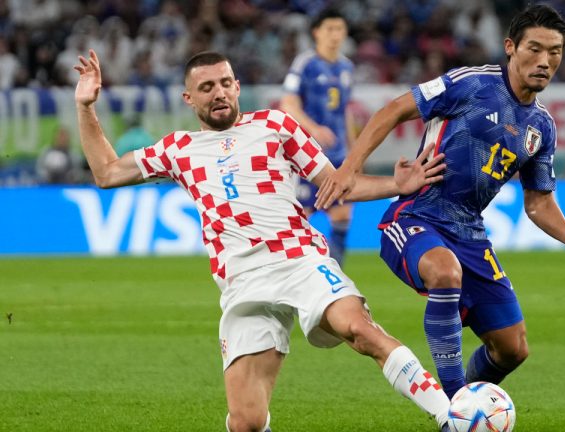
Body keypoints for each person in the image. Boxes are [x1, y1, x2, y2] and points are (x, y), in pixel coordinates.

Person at [73, 49, 453, 432]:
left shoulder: (275, 125)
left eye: (225, 83)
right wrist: (86, 106)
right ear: (189, 99)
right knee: (247, 422)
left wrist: (396, 185)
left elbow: (338, 183)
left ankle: (450, 416)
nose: (218, 92)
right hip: (242, 281)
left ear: (237, 86)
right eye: (206, 87)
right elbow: (106, 173)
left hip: (299, 260)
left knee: (358, 328)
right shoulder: (178, 149)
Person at [316, 4, 565, 400]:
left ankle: (468, 406)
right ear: (510, 47)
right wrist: (348, 170)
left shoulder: (541, 126)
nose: (545, 61)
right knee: (444, 271)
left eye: (555, 52)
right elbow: (393, 110)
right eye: (535, 49)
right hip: (416, 216)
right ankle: (454, 407)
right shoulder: (472, 84)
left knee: (512, 348)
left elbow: (538, 203)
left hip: (470, 233)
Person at [280, 8, 355, 268]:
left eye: (339, 29)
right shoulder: (305, 64)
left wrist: (355, 153)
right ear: (317, 32)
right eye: (329, 29)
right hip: (305, 155)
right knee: (302, 217)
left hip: (337, 156)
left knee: (343, 215)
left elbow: (344, 110)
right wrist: (314, 128)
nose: (335, 35)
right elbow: (288, 104)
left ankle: (335, 276)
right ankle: (296, 273)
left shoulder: (347, 67)